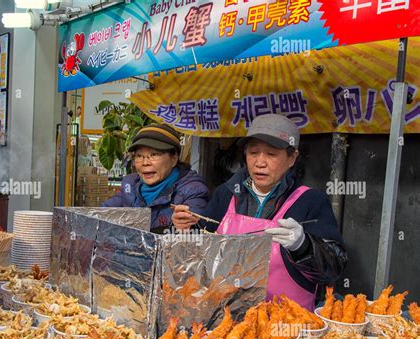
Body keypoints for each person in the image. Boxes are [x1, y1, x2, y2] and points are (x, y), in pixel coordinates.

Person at [172, 114, 347, 310]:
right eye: (253, 153)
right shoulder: (226, 193)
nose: (260, 162)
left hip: (287, 323)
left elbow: (333, 268)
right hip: (225, 316)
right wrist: (185, 227)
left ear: (292, 158)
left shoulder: (311, 201)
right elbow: (200, 253)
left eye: (271, 154)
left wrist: (303, 246)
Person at [102, 123, 210, 234]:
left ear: (174, 159)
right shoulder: (130, 186)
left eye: (154, 154)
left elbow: (197, 233)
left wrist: (180, 226)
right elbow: (103, 214)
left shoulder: (192, 191)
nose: (145, 163)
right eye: (139, 156)